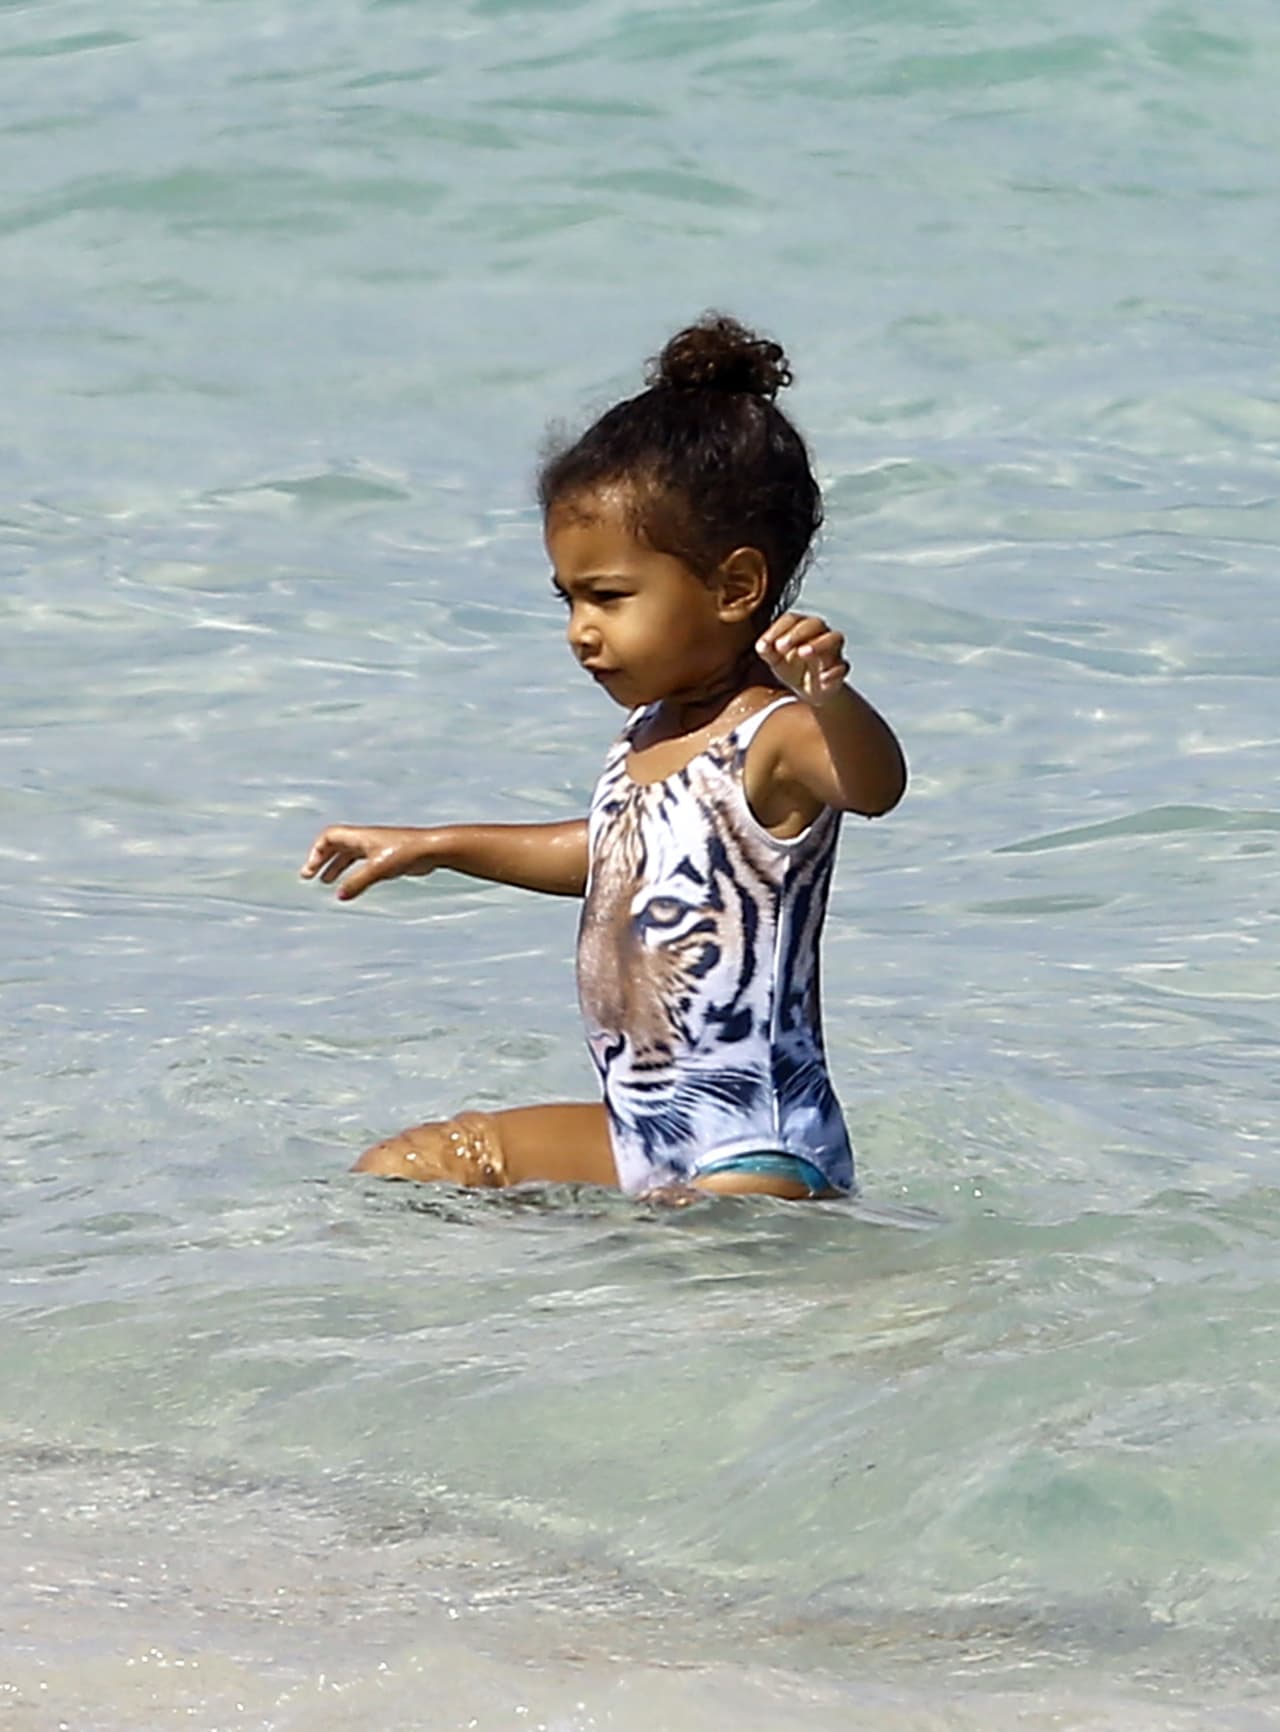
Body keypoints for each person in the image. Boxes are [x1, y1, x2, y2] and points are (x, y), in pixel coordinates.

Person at [301, 314, 906, 1201]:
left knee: (687, 1271)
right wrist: (438, 846)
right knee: (413, 1164)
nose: (582, 631)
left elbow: (873, 786)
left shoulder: (775, 735)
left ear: (735, 587)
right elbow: (607, 854)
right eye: (569, 599)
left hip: (756, 1150)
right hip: (642, 1129)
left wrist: (830, 696)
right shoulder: (650, 734)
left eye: (609, 597)